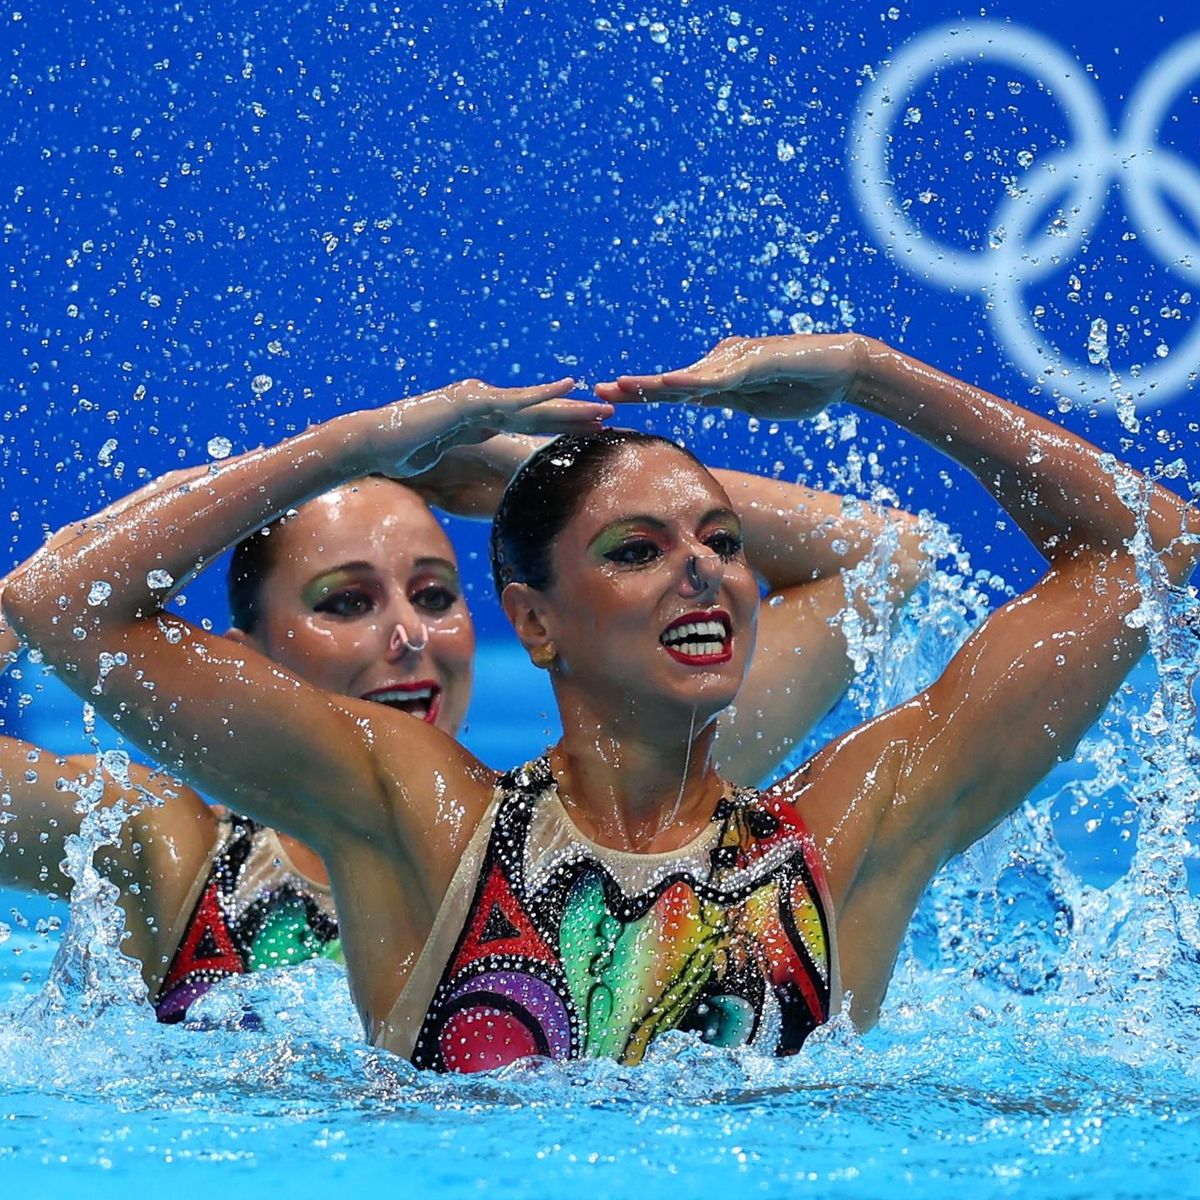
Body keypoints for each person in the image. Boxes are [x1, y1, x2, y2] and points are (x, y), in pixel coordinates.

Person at [12, 336, 1183, 1071]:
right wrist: (363, 444)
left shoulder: (845, 837)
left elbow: (1154, 554)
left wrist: (876, 376)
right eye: (636, 549)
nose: (704, 569)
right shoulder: (425, 819)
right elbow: (62, 602)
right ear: (534, 622)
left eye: (723, 543)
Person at [0, 391, 925, 1022]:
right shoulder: (169, 850)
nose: (410, 636)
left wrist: (550, 482)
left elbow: (884, 558)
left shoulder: (614, 800)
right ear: (245, 659)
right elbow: (65, 602)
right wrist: (344, 448)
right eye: (347, 602)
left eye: (436, 595)